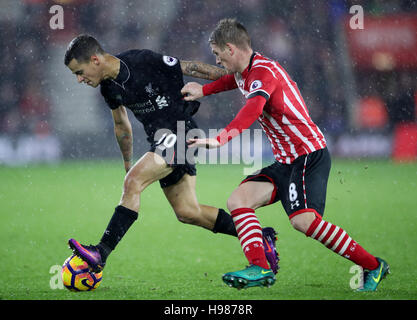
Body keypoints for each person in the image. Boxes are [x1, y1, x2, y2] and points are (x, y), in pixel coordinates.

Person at [181, 18, 389, 291]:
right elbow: (233, 81)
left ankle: (373, 265)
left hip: (307, 155)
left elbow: (253, 109)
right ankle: (260, 267)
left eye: (218, 55)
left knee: (304, 222)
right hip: (286, 160)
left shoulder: (265, 72)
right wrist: (204, 90)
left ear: (231, 49)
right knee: (238, 200)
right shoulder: (247, 72)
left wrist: (222, 138)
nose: (217, 62)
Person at [63, 34, 280, 275]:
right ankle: (260, 238)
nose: (79, 79)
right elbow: (121, 125)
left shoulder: (141, 60)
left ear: (95, 60)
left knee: (134, 182)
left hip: (179, 131)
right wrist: (127, 161)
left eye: (79, 72)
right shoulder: (109, 88)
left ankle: (100, 253)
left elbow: (190, 67)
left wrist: (242, 79)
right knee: (188, 212)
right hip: (161, 140)